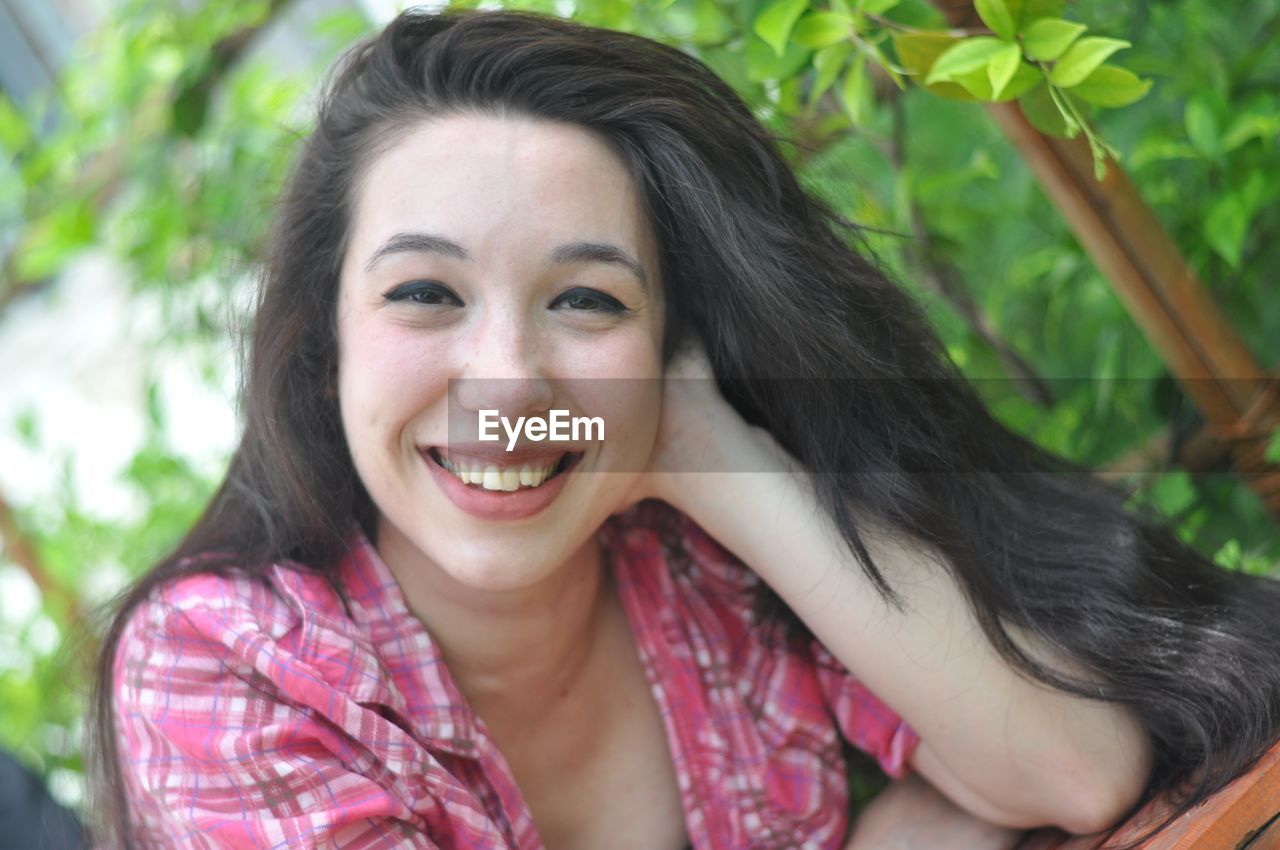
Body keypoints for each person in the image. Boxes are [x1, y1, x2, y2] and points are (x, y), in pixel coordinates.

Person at [87, 7, 1280, 850]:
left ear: (672, 343)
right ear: (325, 336)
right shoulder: (231, 664)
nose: (505, 375)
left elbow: (1069, 770)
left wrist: (716, 459)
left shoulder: (701, 563)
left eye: (588, 299)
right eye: (425, 293)